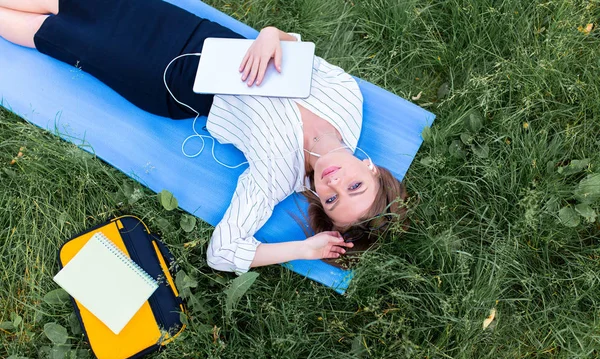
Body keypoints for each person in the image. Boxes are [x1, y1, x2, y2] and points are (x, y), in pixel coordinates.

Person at [0, 0, 407, 274]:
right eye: (354, 185)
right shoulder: (348, 100)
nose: (334, 182)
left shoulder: (277, 177)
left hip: (165, 77)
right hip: (199, 35)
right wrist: (270, 33)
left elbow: (223, 253)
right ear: (370, 167)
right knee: (80, 2)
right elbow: (296, 49)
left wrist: (305, 248)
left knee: (59, 34)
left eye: (332, 199)